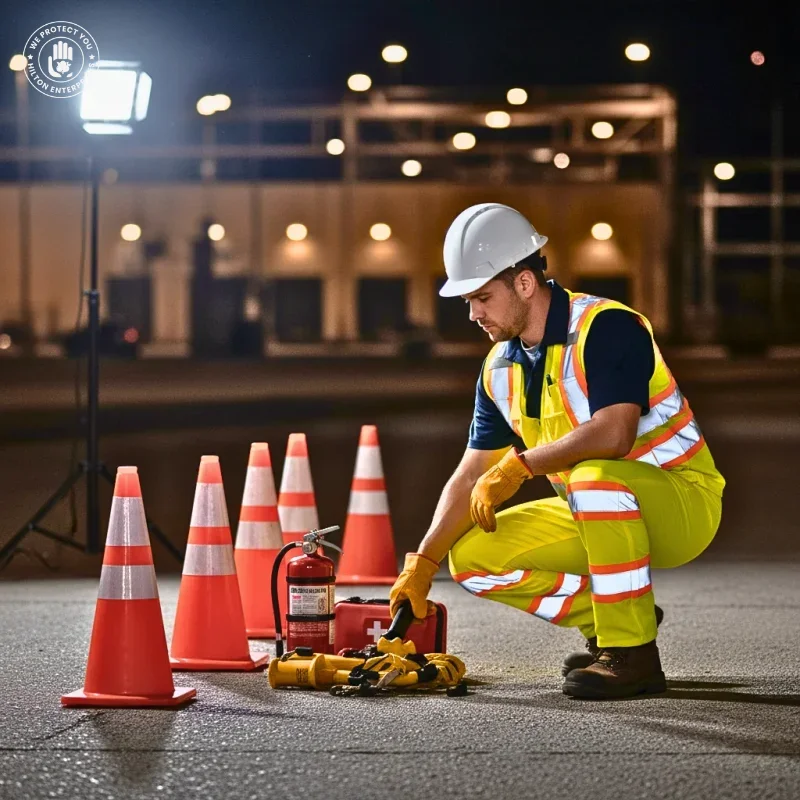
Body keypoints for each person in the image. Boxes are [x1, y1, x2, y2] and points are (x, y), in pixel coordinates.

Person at [389, 203, 725, 699]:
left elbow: (614, 434)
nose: (473, 314)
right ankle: (616, 616)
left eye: (482, 297)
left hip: (682, 504)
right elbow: (470, 475)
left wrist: (521, 465)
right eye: (468, 300)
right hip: (594, 513)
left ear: (524, 283)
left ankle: (633, 655)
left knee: (593, 477)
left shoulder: (607, 327)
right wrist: (423, 564)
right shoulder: (498, 368)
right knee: (474, 555)